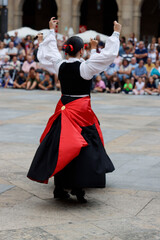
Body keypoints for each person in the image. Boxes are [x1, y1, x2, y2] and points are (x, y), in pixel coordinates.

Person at [27, 17, 121, 203]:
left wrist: (51, 32)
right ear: (82, 50)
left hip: (64, 109)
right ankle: (78, 187)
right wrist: (115, 33)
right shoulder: (85, 68)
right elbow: (106, 58)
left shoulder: (60, 65)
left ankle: (60, 187)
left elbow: (47, 55)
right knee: (82, 147)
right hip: (81, 112)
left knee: (61, 146)